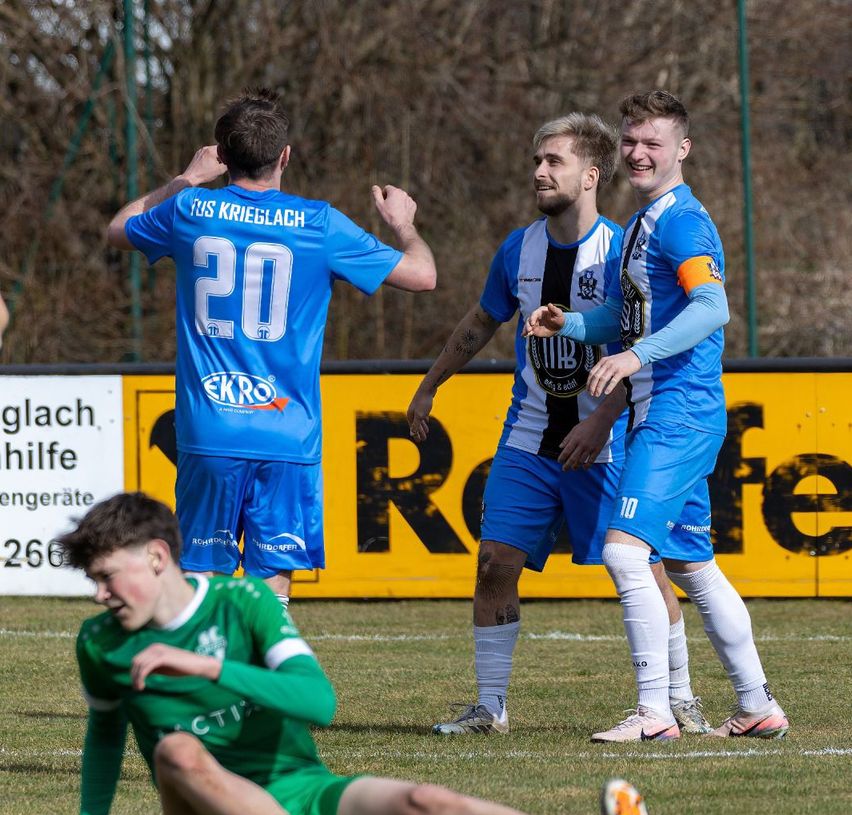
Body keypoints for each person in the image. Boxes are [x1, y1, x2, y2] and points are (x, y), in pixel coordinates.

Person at [62, 491, 651, 815]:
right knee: (177, 755)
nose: (100, 594)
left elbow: (319, 704)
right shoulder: (101, 642)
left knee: (428, 804)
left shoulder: (242, 603)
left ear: (157, 558)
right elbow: (105, 738)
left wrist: (207, 666)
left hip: (304, 794)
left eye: (107, 575)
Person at [408, 113, 710, 736]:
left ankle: (679, 698)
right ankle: (490, 709)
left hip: (604, 443)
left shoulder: (626, 247)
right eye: (537, 160)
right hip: (528, 438)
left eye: (555, 161)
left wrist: (603, 416)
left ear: (592, 174)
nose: (540, 172)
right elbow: (478, 323)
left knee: (645, 568)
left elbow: (644, 340)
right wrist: (432, 383)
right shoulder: (517, 249)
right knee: (494, 561)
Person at [106, 88, 436, 609]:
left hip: (211, 426)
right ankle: (260, 684)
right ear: (284, 155)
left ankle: (212, 683)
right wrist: (403, 225)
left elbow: (118, 228)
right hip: (287, 432)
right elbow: (423, 276)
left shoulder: (190, 209)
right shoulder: (319, 224)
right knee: (273, 582)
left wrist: (186, 178)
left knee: (203, 578)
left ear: (222, 155)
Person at [524, 91, 788, 742]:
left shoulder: (682, 223)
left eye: (654, 143)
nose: (640, 153)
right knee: (694, 566)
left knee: (624, 552)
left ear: (682, 150)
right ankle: (756, 705)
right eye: (632, 141)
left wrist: (634, 356)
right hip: (660, 411)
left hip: (681, 410)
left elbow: (711, 308)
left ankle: (653, 714)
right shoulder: (644, 222)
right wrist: (575, 323)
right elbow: (634, 315)